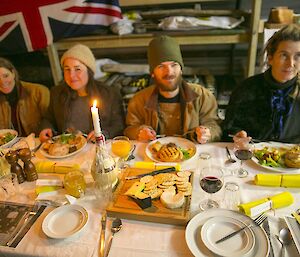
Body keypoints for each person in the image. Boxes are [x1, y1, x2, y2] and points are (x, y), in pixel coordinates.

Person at [124, 35, 221, 143]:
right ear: (152, 73)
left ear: (181, 69)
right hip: (152, 156)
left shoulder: (202, 95)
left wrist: (208, 132)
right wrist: (139, 131)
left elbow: (215, 125)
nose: (169, 72)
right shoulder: (139, 99)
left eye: (174, 65)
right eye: (161, 66)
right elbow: (129, 129)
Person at [222, 24, 300, 143]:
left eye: (297, 56)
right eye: (284, 55)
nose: (291, 63)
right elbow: (228, 131)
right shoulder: (247, 89)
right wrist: (238, 135)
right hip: (251, 156)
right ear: (270, 58)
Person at [39, 44, 124, 142]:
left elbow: (119, 125)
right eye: (67, 69)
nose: (71, 75)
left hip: (94, 146)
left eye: (77, 69)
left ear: (89, 71)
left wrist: (104, 133)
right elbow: (49, 118)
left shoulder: (109, 94)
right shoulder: (57, 93)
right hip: (67, 147)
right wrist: (46, 128)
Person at [0, 57, 50, 136]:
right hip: (11, 147)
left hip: (41, 143)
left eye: (6, 76)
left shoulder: (39, 91)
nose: (2, 82)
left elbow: (51, 121)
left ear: (13, 73)